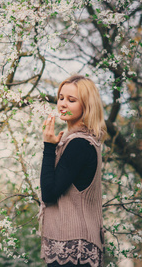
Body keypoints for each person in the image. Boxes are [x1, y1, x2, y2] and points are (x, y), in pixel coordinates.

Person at [39, 74, 106, 267]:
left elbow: (49, 193)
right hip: (77, 244)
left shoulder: (79, 144)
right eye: (61, 98)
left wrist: (49, 147)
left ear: (86, 105)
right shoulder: (83, 141)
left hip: (73, 248)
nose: (63, 104)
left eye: (71, 100)